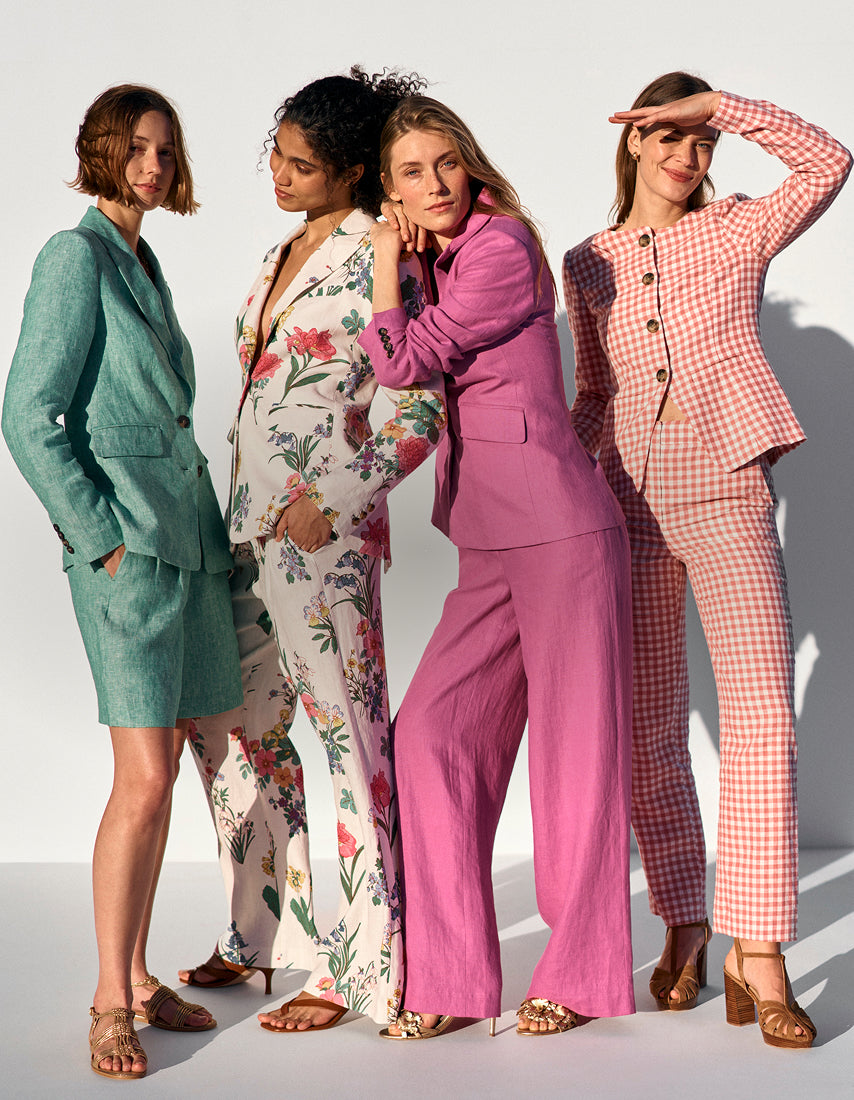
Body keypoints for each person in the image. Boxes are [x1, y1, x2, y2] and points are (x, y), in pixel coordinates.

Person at [563, 72, 851, 1048]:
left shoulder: (734, 228)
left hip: (723, 481)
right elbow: (590, 393)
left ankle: (757, 946)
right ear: (633, 140)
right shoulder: (585, 260)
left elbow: (829, 162)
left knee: (761, 713)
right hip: (623, 496)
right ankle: (683, 915)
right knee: (647, 722)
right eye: (668, 137)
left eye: (698, 141)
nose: (686, 157)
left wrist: (721, 106)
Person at [361, 95, 635, 1039]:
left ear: (470, 162)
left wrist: (380, 275)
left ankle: (583, 974)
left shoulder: (503, 245)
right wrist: (400, 262)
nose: (434, 185)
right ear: (388, 187)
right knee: (430, 736)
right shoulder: (433, 256)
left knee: (577, 757)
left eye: (445, 164)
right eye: (409, 173)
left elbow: (407, 361)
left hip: (561, 529)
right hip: (487, 535)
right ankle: (450, 979)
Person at [178, 68, 446, 1032]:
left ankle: (363, 968)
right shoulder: (277, 252)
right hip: (244, 534)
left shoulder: (385, 258)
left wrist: (331, 503)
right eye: (276, 157)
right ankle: (262, 939)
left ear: (349, 169)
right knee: (235, 732)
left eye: (302, 164)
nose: (281, 176)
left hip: (320, 540)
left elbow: (418, 408)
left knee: (350, 744)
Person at [3, 85, 242, 1080]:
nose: (151, 164)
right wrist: (98, 536)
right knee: (141, 777)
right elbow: (27, 410)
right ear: (102, 152)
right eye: (134, 147)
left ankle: (139, 974)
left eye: (164, 148)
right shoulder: (76, 255)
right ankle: (109, 998)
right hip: (128, 553)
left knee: (171, 763)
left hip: (185, 541)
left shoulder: (144, 259)